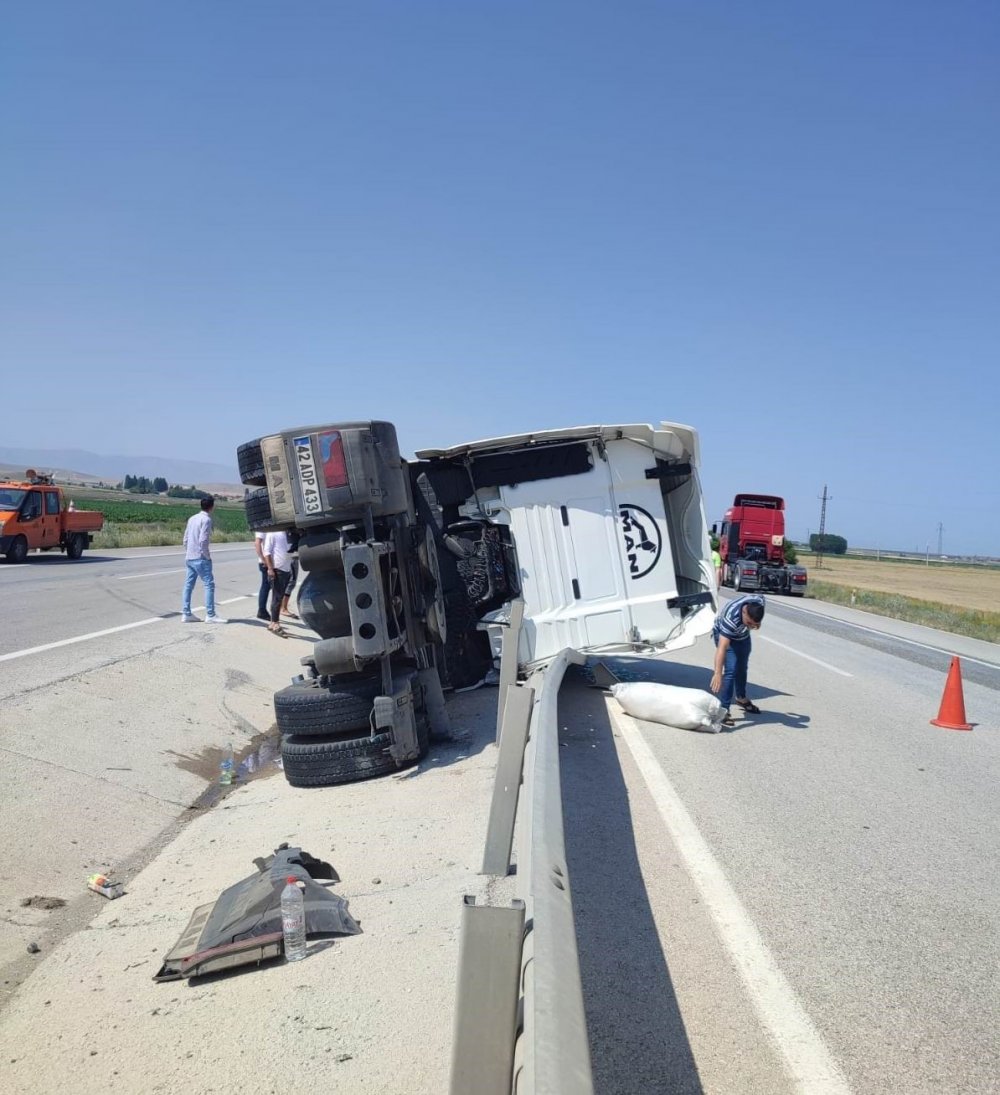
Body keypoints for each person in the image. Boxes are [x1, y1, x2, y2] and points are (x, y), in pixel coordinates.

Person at [709, 594, 764, 726]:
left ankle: (741, 698)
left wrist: (756, 623)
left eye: (754, 625)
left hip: (742, 637)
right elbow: (722, 648)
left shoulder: (759, 602)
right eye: (749, 623)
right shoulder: (731, 619)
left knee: (742, 667)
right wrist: (717, 673)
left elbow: (759, 603)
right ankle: (724, 710)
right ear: (744, 611)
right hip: (725, 635)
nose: (751, 626)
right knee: (731, 671)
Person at [182, 497, 226, 623]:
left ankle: (186, 613)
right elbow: (203, 540)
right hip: (200, 558)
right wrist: (206, 556)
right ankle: (210, 615)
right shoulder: (206, 519)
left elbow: (185, 539)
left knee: (188, 585)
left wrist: (189, 551)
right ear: (211, 507)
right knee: (209, 585)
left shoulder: (192, 518)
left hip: (190, 557)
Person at [262, 529, 293, 636]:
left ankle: (272, 623)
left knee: (279, 598)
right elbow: (267, 552)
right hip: (277, 569)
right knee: (277, 598)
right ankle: (275, 623)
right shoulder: (272, 533)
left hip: (286, 569)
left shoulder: (289, 533)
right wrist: (270, 569)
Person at [280, 530, 301, 620]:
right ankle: (283, 608)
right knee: (291, 582)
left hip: (288, 554)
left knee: (286, 582)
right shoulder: (291, 530)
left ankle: (281, 607)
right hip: (291, 555)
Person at [253, 532, 270, 621]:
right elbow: (257, 543)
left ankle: (263, 610)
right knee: (266, 586)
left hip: (271, 561)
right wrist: (263, 559)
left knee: (267, 586)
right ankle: (262, 610)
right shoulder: (262, 526)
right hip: (266, 562)